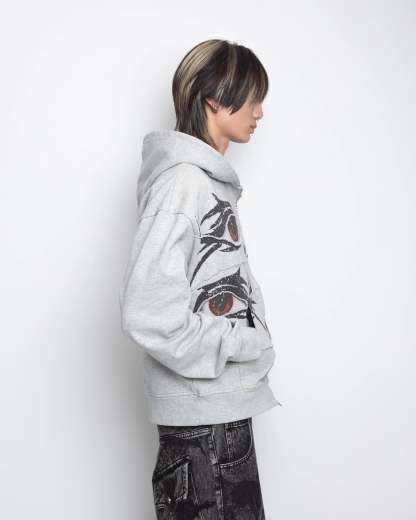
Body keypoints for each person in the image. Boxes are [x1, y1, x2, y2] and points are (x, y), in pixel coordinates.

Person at [119, 38, 282, 520]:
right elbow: (148, 312)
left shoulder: (207, 183)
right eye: (251, 97)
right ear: (214, 98)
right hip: (204, 427)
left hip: (219, 416)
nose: (259, 112)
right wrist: (240, 342)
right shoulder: (182, 183)